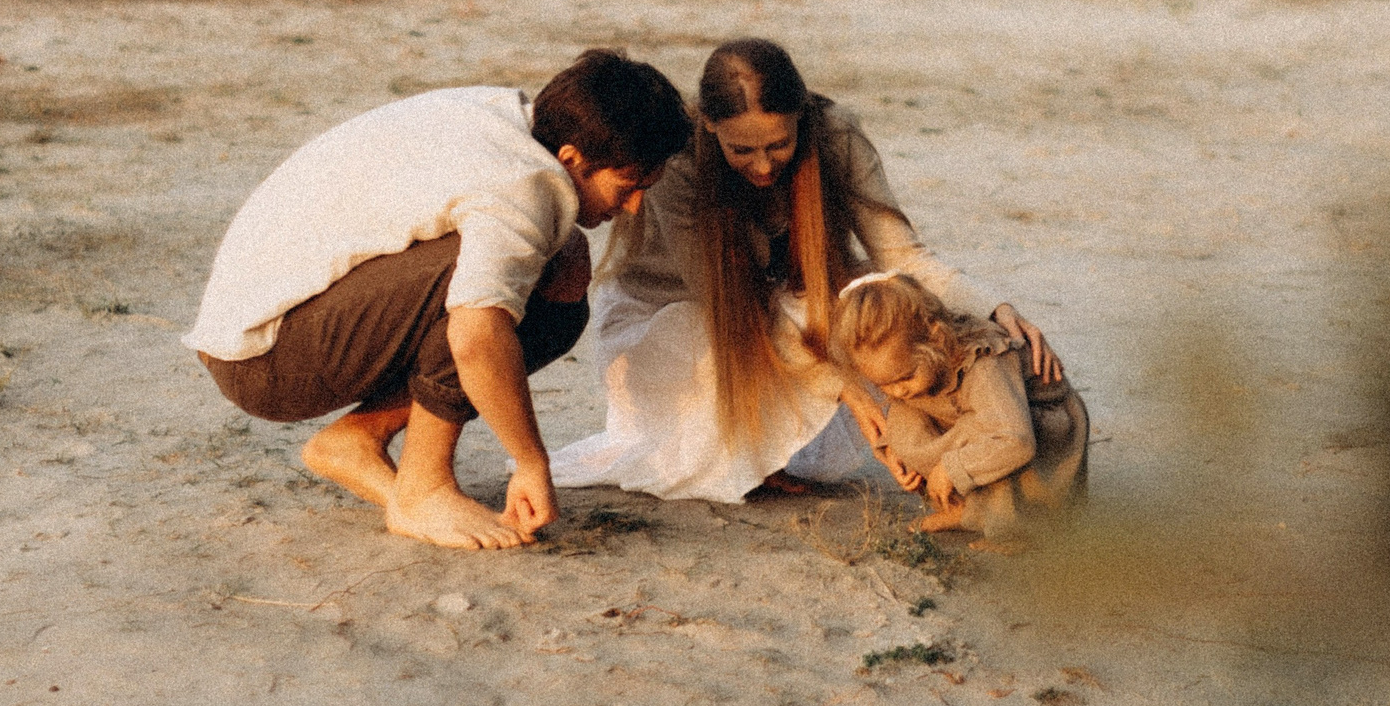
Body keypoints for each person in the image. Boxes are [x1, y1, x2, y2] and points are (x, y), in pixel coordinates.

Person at [185, 50, 692, 550]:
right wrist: (532, 461)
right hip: (263, 359)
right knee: (481, 297)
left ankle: (358, 439)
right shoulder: (525, 184)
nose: (632, 207)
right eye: (626, 186)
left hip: (285, 327)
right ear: (571, 158)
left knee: (562, 272)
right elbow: (475, 335)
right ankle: (425, 487)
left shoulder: (511, 118)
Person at [550, 36, 1064, 504]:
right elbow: (737, 306)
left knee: (885, 314)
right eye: (741, 149)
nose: (764, 166)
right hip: (679, 317)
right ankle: (756, 454)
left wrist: (997, 307)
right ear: (708, 123)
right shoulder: (677, 163)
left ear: (801, 117)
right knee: (735, 342)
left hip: (788, 299)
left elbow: (902, 257)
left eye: (779, 144)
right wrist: (844, 385)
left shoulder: (836, 133)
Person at [832, 270, 1089, 535]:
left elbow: (1016, 441)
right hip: (976, 418)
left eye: (906, 377)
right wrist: (895, 449)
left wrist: (952, 469)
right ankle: (961, 506)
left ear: (936, 338)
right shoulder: (914, 365)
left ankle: (1010, 526)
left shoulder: (984, 363)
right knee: (901, 421)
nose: (897, 391)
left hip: (1037, 428)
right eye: (883, 384)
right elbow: (902, 404)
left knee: (985, 435)